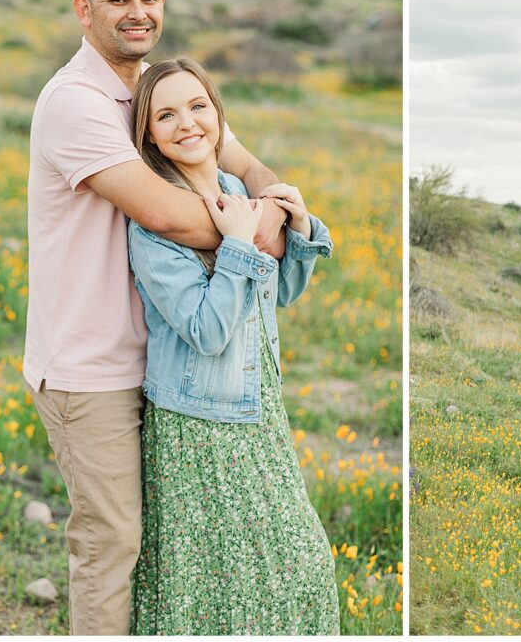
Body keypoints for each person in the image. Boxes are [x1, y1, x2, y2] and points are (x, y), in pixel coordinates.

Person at [24, 0, 287, 634]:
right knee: (113, 547)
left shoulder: (156, 93)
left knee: (167, 551)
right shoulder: (75, 102)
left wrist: (276, 198)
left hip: (164, 360)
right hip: (92, 367)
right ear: (85, 9)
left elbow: (249, 164)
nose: (136, 12)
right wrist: (261, 227)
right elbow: (171, 217)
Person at [126, 58, 338, 634]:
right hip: (197, 420)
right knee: (210, 580)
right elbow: (207, 330)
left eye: (197, 107)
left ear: (218, 116)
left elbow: (281, 293)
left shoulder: (240, 191)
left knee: (299, 566)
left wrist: (296, 227)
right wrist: (241, 244)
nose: (186, 123)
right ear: (149, 133)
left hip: (260, 405)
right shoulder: (152, 224)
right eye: (166, 114)